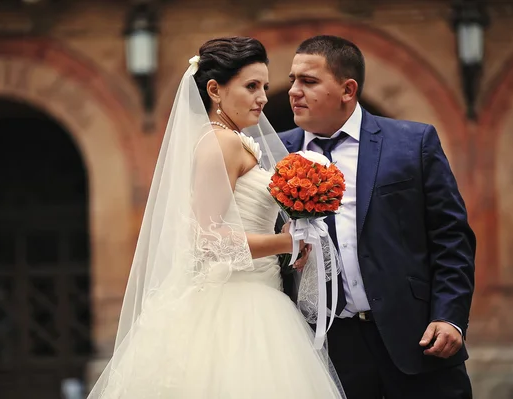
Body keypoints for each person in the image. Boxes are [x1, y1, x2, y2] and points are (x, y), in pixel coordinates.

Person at [87, 36, 345, 399]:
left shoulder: (233, 141)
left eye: (265, 87)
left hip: (259, 294)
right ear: (215, 90)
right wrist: (287, 241)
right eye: (251, 86)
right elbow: (207, 238)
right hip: (236, 306)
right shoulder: (220, 142)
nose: (262, 97)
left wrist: (287, 237)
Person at [279, 35, 476, 399]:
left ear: (347, 89)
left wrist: (449, 316)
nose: (293, 90)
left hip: (417, 337)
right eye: (292, 79)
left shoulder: (413, 142)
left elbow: (452, 238)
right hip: (324, 349)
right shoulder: (274, 153)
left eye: (308, 81)